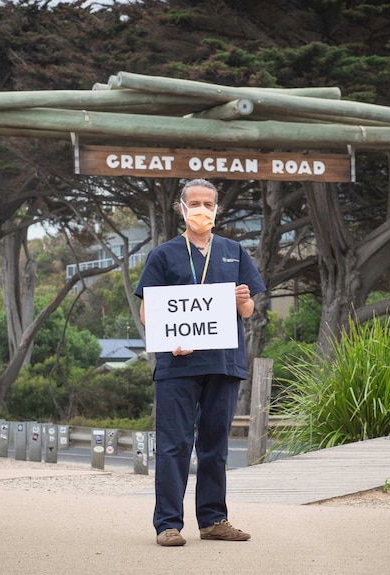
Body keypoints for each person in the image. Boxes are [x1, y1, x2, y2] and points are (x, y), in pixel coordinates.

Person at [135, 178, 266, 546]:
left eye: (208, 203)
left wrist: (243, 298)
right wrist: (169, 338)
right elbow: (148, 312)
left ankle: (213, 520)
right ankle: (168, 525)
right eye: (194, 203)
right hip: (178, 365)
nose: (201, 210)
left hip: (223, 362)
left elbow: (249, 309)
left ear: (217, 209)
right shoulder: (162, 255)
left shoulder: (234, 251)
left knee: (215, 445)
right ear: (181, 208)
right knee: (174, 444)